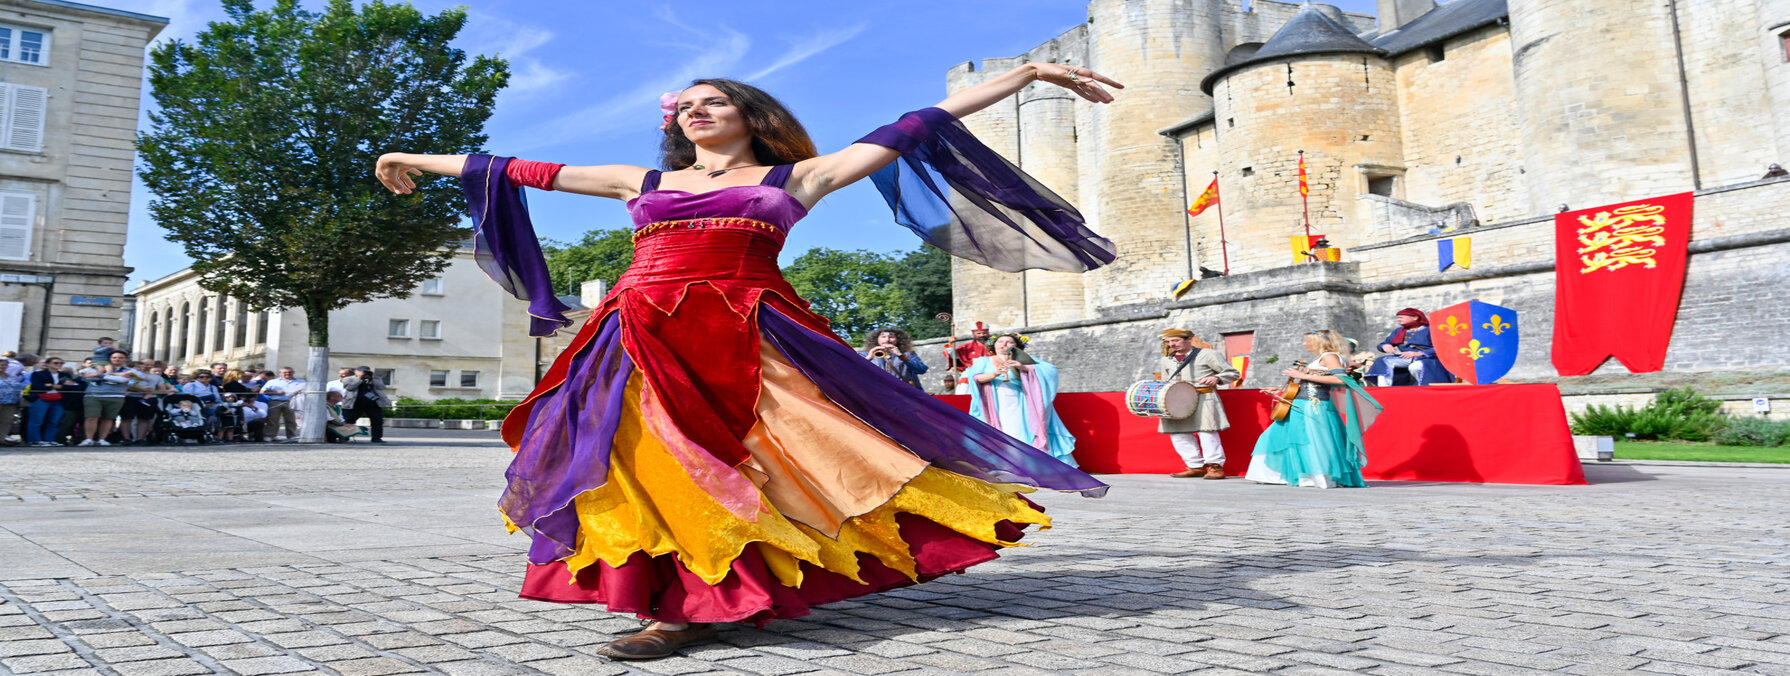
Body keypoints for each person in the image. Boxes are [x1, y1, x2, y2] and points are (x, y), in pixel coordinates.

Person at [375, 61, 1119, 659]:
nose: (695, 113)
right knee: (648, 469)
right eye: (686, 106)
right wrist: (412, 156)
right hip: (640, 335)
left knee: (799, 457)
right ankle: (671, 611)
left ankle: (761, 579)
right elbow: (518, 169)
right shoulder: (644, 183)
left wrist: (1021, 79)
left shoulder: (795, 179)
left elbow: (910, 126)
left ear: (749, 118)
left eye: (714, 103)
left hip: (751, 332)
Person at [1247, 330, 1382, 489]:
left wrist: (1304, 376)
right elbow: (1307, 384)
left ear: (1319, 342)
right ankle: (1282, 476)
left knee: (1313, 441)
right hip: (1301, 404)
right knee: (1279, 437)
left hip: (1314, 405)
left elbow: (1340, 379)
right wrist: (1280, 390)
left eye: (1308, 341)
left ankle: (1318, 477)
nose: (1305, 344)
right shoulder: (1320, 359)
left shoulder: (1330, 356)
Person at [964, 334, 1077, 466]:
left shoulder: (1024, 359)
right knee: (1000, 433)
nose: (1004, 344)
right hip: (993, 405)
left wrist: (1023, 367)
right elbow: (975, 378)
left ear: (1016, 346)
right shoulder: (984, 361)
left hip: (1020, 403)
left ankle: (1025, 466)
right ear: (994, 345)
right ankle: (1002, 466)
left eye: (1009, 342)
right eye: (1000, 341)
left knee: (1018, 432)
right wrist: (993, 374)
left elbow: (1050, 371)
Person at [1155, 329, 1240, 480]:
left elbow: (1233, 373)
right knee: (1178, 432)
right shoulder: (1166, 360)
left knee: (1206, 431)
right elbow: (1166, 382)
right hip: (1176, 400)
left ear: (1189, 339)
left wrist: (1217, 378)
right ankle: (1194, 466)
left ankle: (1215, 467)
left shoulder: (1208, 354)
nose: (1171, 344)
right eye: (1168, 342)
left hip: (1203, 397)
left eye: (1175, 340)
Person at [1362, 308, 1452, 386]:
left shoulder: (1430, 329)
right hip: (1406, 357)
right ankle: (1384, 387)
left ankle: (1421, 386)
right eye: (1398, 317)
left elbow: (1442, 346)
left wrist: (1419, 353)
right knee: (1383, 361)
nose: (1398, 320)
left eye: (1401, 317)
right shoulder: (1399, 331)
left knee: (1415, 367)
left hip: (1427, 358)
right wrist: (1385, 346)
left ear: (1415, 317)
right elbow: (1382, 344)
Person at [79, 351, 143, 446]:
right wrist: (113, 375)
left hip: (116, 396)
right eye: (114, 357)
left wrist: (99, 375)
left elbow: (122, 380)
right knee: (91, 417)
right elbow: (85, 375)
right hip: (94, 395)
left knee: (108, 418)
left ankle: (102, 439)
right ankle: (89, 439)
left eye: (120, 357)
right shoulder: (96, 367)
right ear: (110, 359)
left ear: (125, 359)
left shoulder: (130, 370)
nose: (117, 359)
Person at [861, 327, 929, 389]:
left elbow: (922, 370)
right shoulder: (866, 354)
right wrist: (868, 358)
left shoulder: (908, 354)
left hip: (905, 393)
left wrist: (900, 355)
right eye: (883, 337)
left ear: (898, 339)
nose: (887, 339)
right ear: (877, 339)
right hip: (878, 393)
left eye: (891, 337)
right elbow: (853, 371)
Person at [25, 357, 66, 447]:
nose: (59, 365)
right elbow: (37, 386)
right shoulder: (38, 374)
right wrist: (58, 386)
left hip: (58, 399)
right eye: (56, 363)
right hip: (41, 398)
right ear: (48, 364)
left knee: (54, 421)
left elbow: (73, 387)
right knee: (36, 421)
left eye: (61, 363)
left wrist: (51, 385)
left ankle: (49, 440)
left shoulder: (64, 375)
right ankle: (34, 440)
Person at [341, 366, 389, 443]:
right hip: (354, 403)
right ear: (356, 371)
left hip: (373, 403)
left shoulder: (376, 379)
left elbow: (381, 387)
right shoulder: (349, 379)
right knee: (349, 421)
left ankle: (376, 438)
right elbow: (350, 387)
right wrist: (359, 378)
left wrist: (371, 378)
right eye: (362, 371)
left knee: (377, 421)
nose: (365, 373)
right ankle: (345, 437)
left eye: (366, 371)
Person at [0, 353, 37, 445]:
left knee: (7, 421)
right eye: (1, 365)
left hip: (11, 402)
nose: (2, 366)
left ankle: (2, 438)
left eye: (4, 365)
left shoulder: (11, 376)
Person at [950, 321, 995, 394]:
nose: (982, 335)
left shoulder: (995, 346)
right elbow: (954, 356)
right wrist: (951, 344)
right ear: (974, 334)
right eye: (979, 333)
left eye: (984, 333)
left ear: (988, 333)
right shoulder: (966, 347)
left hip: (991, 373)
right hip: (971, 373)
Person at [261, 367, 305, 441]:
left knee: (291, 420)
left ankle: (291, 436)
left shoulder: (301, 382)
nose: (287, 373)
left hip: (292, 402)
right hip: (275, 401)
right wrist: (276, 392)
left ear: (293, 372)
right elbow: (262, 392)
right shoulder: (272, 382)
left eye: (290, 372)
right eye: (285, 372)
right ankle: (270, 435)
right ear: (280, 373)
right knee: (272, 420)